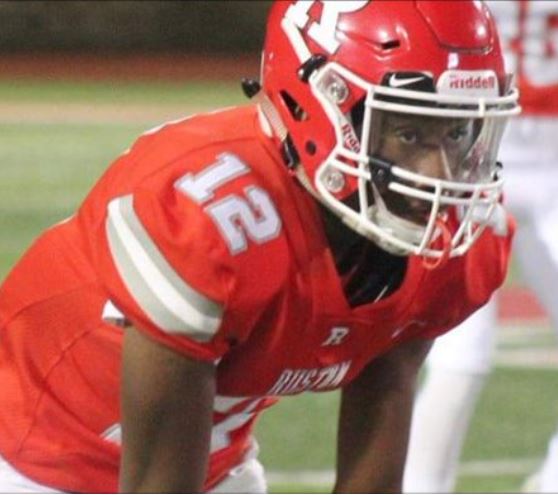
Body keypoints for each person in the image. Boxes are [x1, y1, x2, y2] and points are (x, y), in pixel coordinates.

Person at [0, 1, 519, 493]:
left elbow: (377, 454)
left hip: (210, 461)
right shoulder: (207, 216)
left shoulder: (453, 242)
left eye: (456, 134)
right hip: (27, 456)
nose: (437, 175)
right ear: (320, 103)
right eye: (407, 134)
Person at [403, 1, 558, 492]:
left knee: (458, 349)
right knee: (458, 344)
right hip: (481, 151)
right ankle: (419, 484)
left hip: (488, 147)